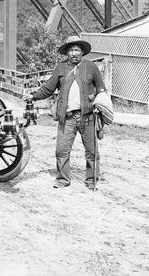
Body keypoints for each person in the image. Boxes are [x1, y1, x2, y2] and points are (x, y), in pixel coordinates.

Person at [23, 35, 106, 190]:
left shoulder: (91, 67)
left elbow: (101, 89)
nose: (74, 53)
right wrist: (33, 96)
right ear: (67, 53)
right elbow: (48, 88)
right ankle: (62, 180)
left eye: (77, 50)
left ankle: (91, 180)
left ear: (82, 52)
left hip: (88, 117)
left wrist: (102, 107)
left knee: (92, 151)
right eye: (71, 50)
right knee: (61, 150)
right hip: (67, 118)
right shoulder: (61, 68)